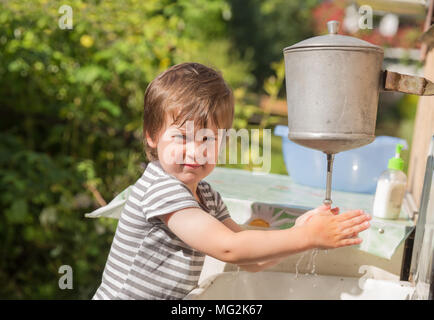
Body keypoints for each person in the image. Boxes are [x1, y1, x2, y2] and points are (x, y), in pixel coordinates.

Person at [92, 62, 371, 300]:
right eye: (181, 137)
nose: (196, 151)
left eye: (208, 138)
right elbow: (229, 248)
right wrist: (307, 236)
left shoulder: (207, 197)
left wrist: (301, 234)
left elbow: (252, 259)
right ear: (152, 135)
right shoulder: (161, 188)